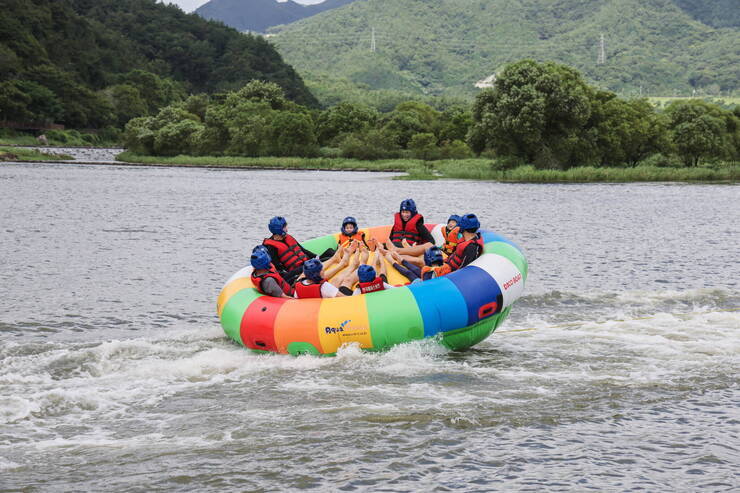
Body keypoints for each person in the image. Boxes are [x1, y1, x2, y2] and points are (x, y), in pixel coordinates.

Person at [262, 216, 334, 284]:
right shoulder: (271, 247)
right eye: (285, 227)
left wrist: (316, 257)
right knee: (328, 259)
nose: (287, 228)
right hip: (296, 270)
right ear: (279, 229)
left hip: (307, 263)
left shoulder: (288, 237)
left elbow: (303, 250)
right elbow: (278, 267)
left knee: (330, 251)